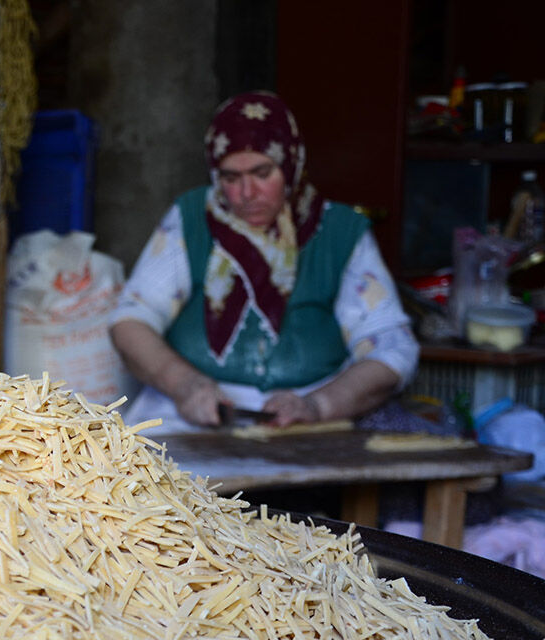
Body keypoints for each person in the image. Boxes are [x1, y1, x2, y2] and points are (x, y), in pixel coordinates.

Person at [108, 91, 419, 433]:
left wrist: (318, 405)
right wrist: (184, 384)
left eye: (262, 173)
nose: (247, 193)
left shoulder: (339, 232)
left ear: (291, 165)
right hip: (188, 414)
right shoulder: (191, 218)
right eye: (230, 178)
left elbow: (392, 347)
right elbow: (131, 321)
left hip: (308, 421)